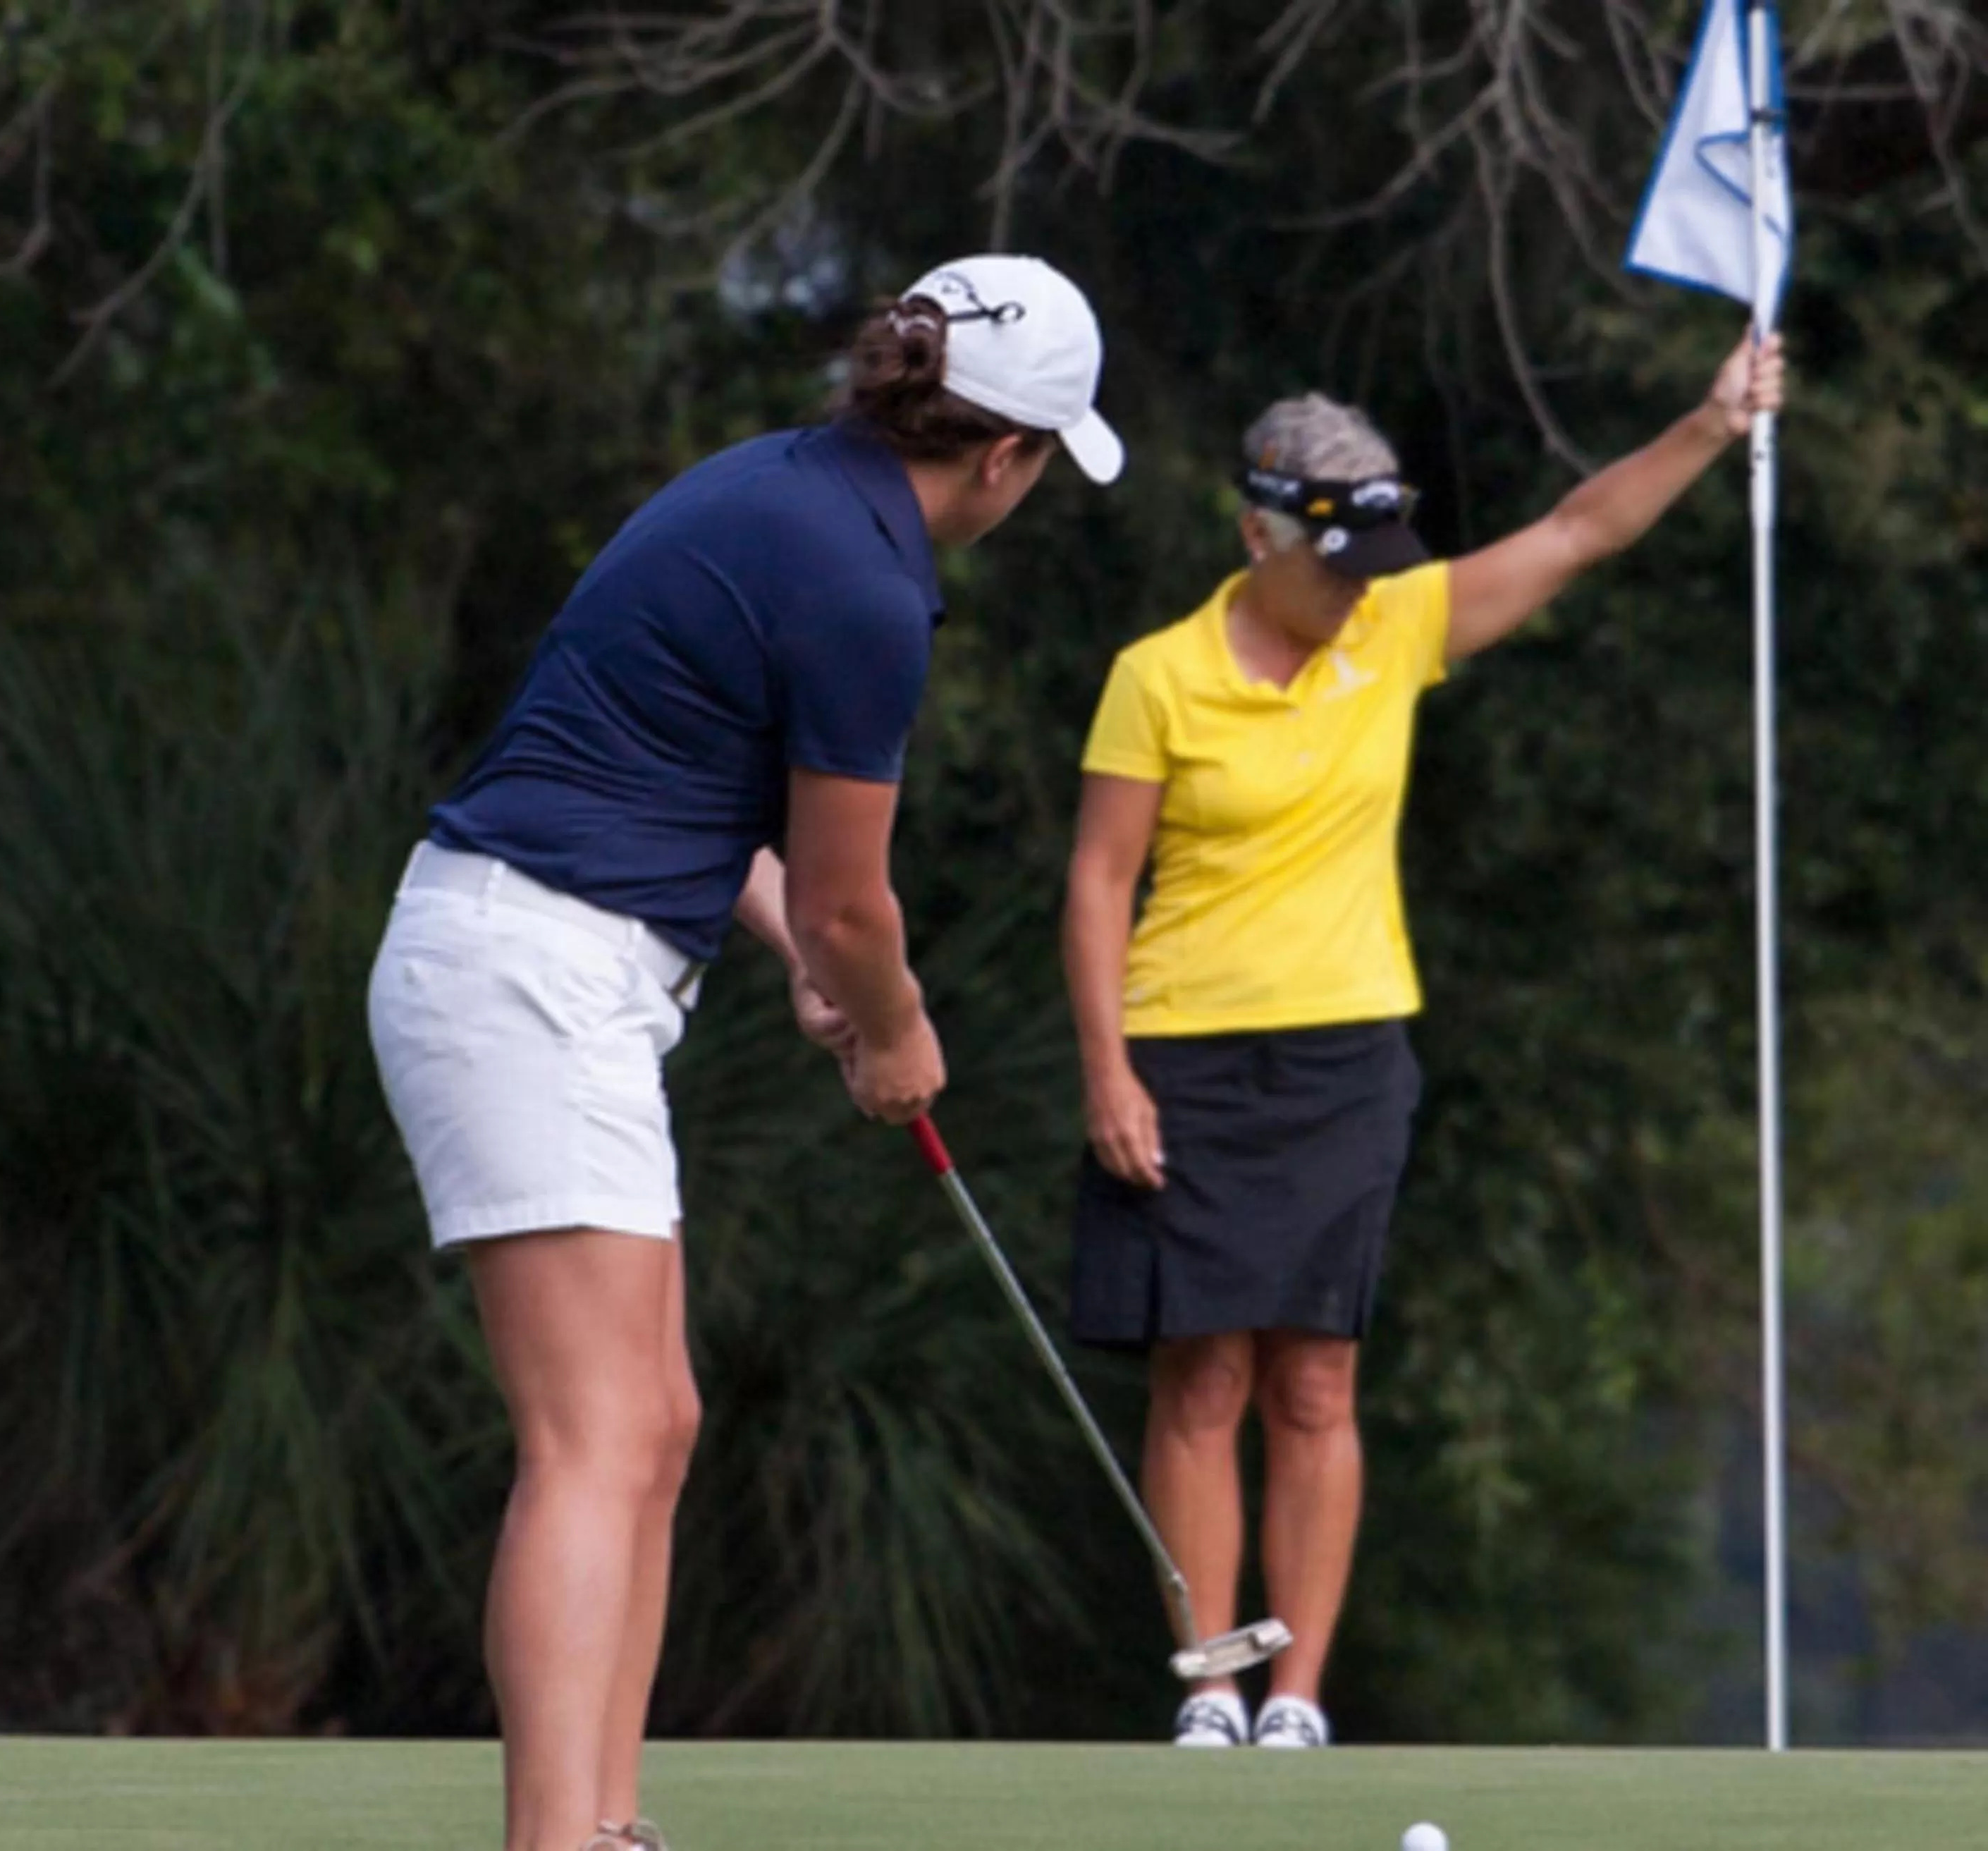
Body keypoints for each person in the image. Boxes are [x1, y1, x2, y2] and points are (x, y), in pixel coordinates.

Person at [368, 255, 1122, 1851]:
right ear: (1003, 456)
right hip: (530, 969)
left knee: (657, 1418)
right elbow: (857, 899)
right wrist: (894, 1034)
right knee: (596, 1434)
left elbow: (699, 798)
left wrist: (801, 958)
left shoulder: (776, 488)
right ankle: (554, 1843)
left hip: (548, 957)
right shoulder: (865, 582)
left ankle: (609, 1826)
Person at [1062, 331, 1786, 1749]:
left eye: (1370, 563)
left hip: (1346, 1054)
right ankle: (1209, 1681)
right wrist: (1107, 1069)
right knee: (1202, 1375)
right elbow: (1098, 882)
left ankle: (1298, 1697)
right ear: (1256, 530)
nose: (1354, 590)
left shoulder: (1394, 634)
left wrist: (1709, 422)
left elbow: (1580, 530)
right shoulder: (1158, 676)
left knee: (1317, 1376)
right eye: (1331, 561)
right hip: (1185, 1052)